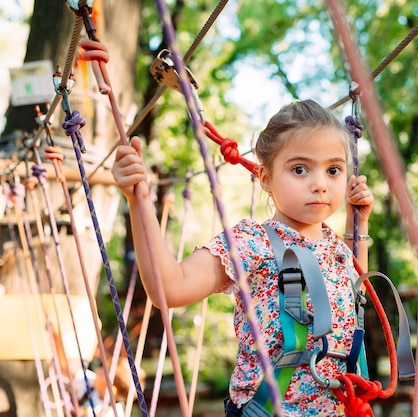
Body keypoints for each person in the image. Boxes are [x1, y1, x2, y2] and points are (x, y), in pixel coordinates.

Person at [111, 99, 374, 416]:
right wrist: (137, 200)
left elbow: (354, 292)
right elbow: (171, 288)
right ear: (265, 179)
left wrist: (358, 223)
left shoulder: (335, 246)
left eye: (333, 170)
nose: (319, 185)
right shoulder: (254, 243)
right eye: (300, 169)